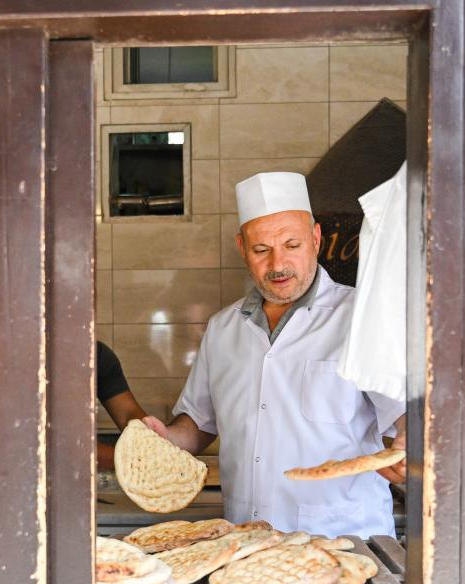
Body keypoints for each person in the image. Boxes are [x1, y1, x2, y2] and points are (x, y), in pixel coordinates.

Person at [143, 172, 406, 538]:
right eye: (261, 250)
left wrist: (411, 440)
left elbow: (407, 413)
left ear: (316, 239)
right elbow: (200, 423)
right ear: (242, 248)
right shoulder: (222, 329)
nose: (278, 264)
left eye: (291, 245)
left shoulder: (362, 318)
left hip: (342, 539)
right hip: (247, 542)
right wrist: (167, 439)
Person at [96, 340, 147, 469]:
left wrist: (153, 445)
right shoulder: (47, 360)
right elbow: (67, 445)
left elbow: (129, 415)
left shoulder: (98, 355)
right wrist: (134, 461)